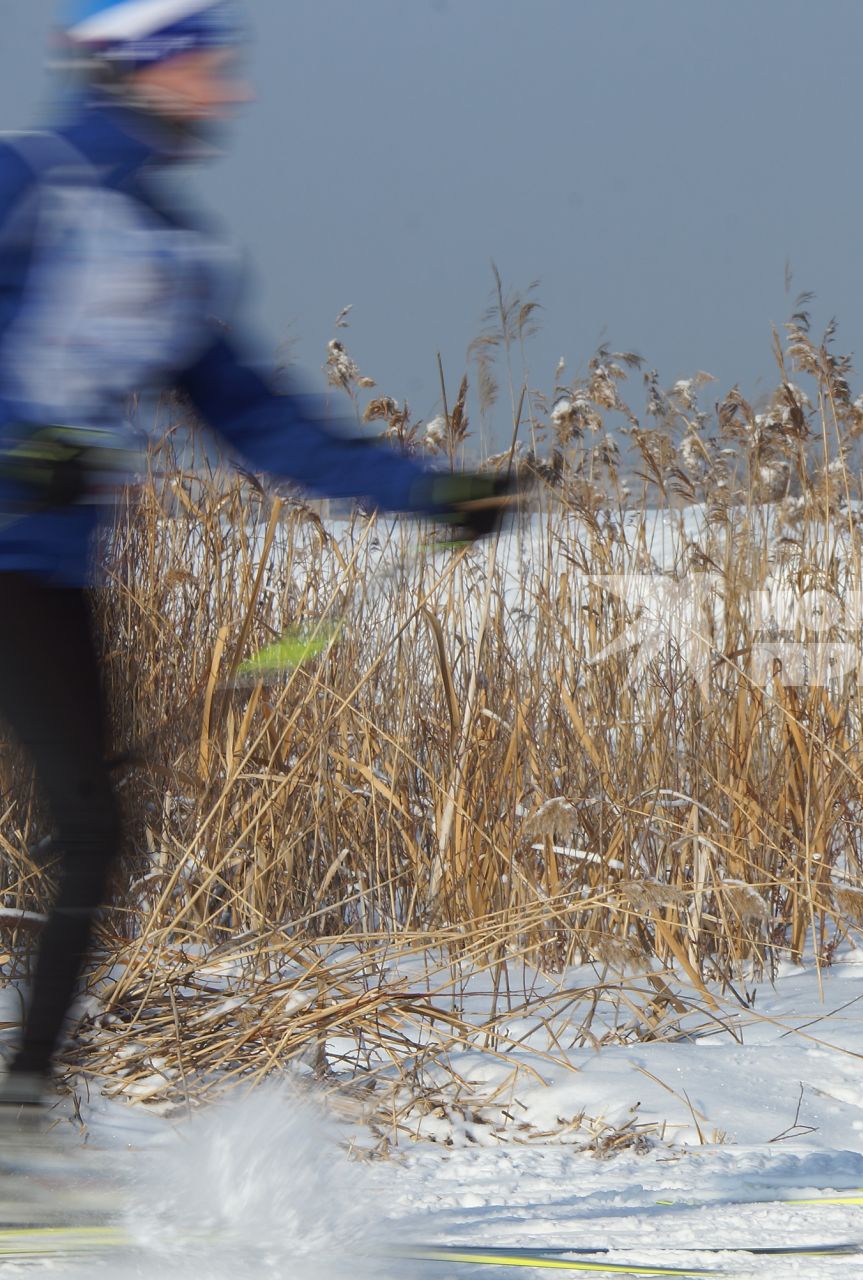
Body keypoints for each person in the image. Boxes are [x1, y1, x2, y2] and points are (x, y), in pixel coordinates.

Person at [0, 0, 511, 1126]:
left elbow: (264, 425)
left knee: (91, 828)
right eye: (203, 65)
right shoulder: (25, 182)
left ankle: (20, 1127)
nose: (228, 89)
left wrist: (428, 490)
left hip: (39, 574)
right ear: (131, 66)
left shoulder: (173, 251)